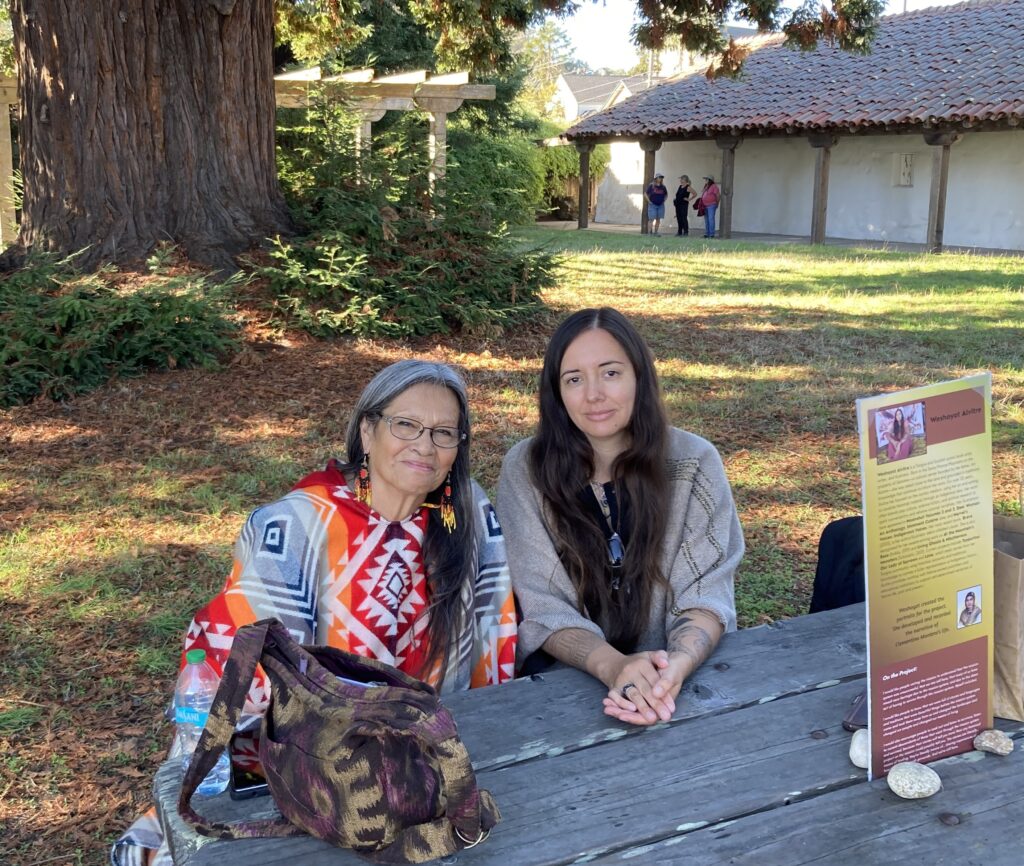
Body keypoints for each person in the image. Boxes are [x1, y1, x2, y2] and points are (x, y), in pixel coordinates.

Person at [114, 359, 517, 866]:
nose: (425, 446)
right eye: (406, 425)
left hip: (430, 754)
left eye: (443, 433)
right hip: (318, 763)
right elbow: (247, 656)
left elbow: (491, 628)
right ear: (367, 431)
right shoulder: (299, 524)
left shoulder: (468, 514)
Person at [498, 308, 743, 728]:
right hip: (561, 689)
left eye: (610, 373)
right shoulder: (526, 470)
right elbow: (542, 606)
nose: (593, 394)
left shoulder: (694, 462)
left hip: (676, 687)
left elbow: (706, 593)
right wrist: (614, 667)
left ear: (639, 377)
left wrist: (673, 671)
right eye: (573, 379)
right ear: (556, 393)